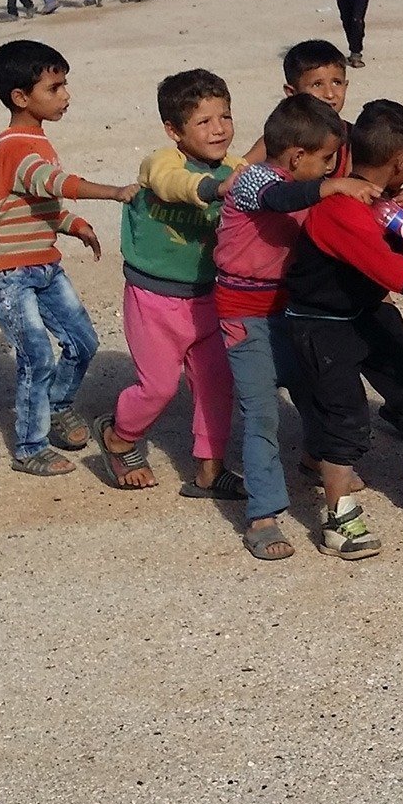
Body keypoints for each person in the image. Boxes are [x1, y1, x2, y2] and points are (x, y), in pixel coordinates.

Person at [279, 98, 403, 555]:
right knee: (345, 417)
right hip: (320, 324)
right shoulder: (340, 210)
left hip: (365, 312)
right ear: (401, 160)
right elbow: (385, 264)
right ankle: (339, 517)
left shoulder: (380, 203)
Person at [0, 41, 134, 477]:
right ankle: (30, 446)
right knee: (36, 355)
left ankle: (58, 406)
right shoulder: (14, 144)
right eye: (55, 87)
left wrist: (72, 224)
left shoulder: (36, 139)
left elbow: (32, 198)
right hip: (8, 271)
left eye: (64, 84)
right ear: (20, 98)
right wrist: (113, 192)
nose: (65, 95)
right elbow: (51, 181)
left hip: (42, 263)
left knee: (83, 340)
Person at [214, 93, 350, 561]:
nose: (330, 170)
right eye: (325, 160)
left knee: (314, 389)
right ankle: (263, 515)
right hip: (244, 315)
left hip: (289, 310)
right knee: (262, 414)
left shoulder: (302, 187)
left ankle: (317, 458)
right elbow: (282, 198)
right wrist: (330, 189)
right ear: (295, 156)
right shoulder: (254, 181)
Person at [94, 70, 240, 496]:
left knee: (216, 383)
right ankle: (119, 435)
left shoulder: (235, 169)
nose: (218, 129)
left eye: (225, 117)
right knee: (157, 387)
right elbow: (172, 184)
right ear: (173, 130)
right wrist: (215, 188)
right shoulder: (161, 163)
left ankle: (210, 470)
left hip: (210, 297)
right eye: (204, 121)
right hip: (154, 296)